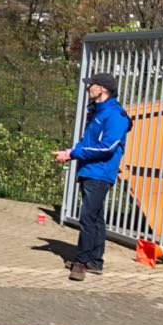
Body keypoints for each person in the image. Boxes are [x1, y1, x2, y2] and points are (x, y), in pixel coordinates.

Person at [55, 71, 132, 281]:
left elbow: (107, 147)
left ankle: (81, 263)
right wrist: (71, 152)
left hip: (100, 172)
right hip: (90, 170)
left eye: (91, 85)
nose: (88, 88)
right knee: (96, 218)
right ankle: (95, 261)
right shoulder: (97, 111)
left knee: (88, 217)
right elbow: (87, 141)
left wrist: (75, 153)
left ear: (101, 89)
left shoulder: (115, 115)